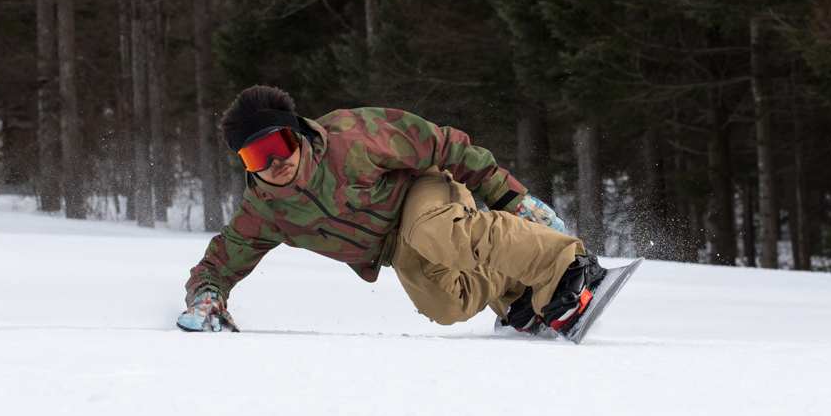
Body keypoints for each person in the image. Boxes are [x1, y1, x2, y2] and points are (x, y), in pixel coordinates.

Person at [178, 84, 606, 336]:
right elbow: (218, 262)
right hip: (393, 245)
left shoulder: (352, 136)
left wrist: (510, 196)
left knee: (435, 233)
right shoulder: (264, 210)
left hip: (422, 193)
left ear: (298, 134)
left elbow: (443, 144)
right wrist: (207, 296)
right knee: (446, 307)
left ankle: (566, 265)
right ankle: (521, 294)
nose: (276, 164)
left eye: (279, 146)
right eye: (257, 158)